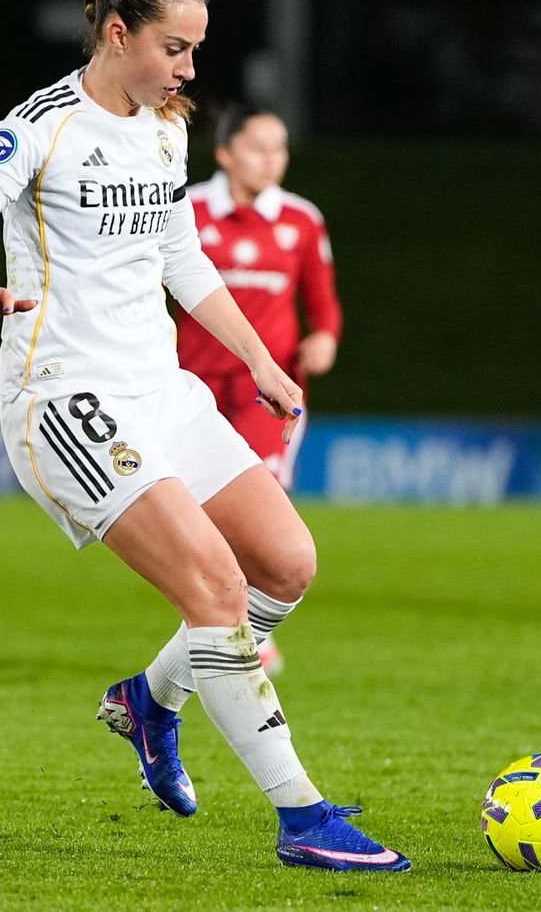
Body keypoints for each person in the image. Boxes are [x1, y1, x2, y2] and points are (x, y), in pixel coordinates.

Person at [0, 0, 408, 873]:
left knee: (286, 564)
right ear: (116, 33)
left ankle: (149, 700)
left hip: (162, 389)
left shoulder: (166, 124)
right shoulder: (42, 126)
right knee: (217, 588)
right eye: (176, 48)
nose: (190, 68)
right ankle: (300, 814)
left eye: (195, 50)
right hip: (66, 399)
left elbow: (180, 258)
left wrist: (261, 360)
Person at [175, 104, 343, 677]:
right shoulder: (186, 209)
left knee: (259, 507)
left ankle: (245, 630)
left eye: (280, 147)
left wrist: (325, 335)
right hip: (188, 387)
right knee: (195, 513)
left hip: (264, 394)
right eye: (257, 147)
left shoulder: (300, 219)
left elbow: (321, 296)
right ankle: (219, 622)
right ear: (224, 153)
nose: (272, 159)